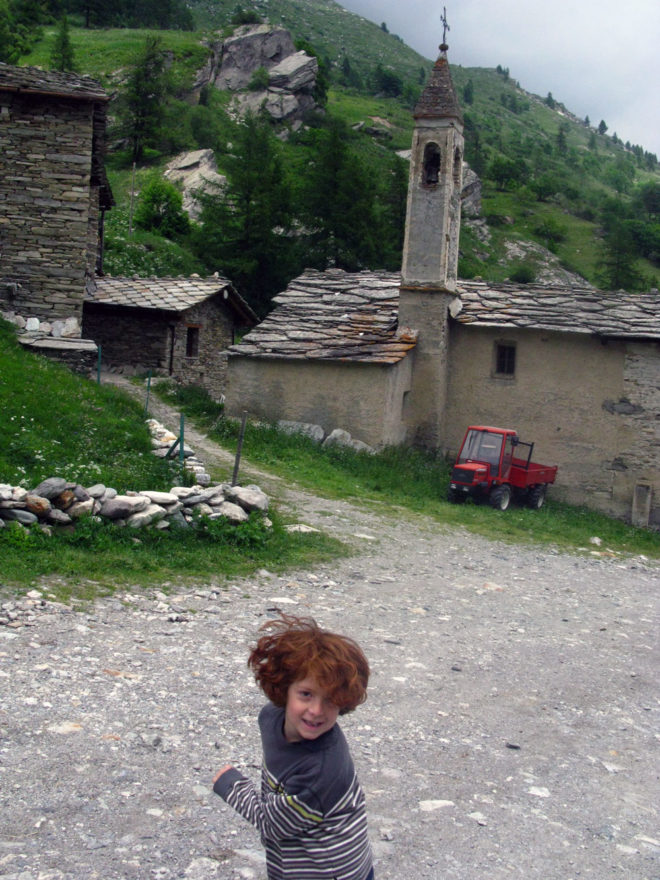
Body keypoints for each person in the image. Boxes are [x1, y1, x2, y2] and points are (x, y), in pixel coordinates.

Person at [213, 614, 374, 880]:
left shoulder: (321, 772)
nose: (316, 711)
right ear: (285, 688)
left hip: (331, 873)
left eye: (331, 700)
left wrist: (232, 786)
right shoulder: (270, 718)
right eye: (306, 694)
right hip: (296, 861)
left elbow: (271, 824)